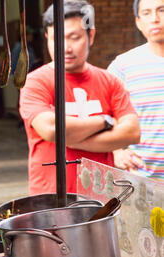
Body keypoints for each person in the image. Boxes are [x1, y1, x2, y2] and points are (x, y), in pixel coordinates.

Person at [19, 0, 141, 195]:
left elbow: (132, 132)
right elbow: (52, 129)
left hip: (101, 199)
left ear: (90, 35)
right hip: (50, 200)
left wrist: (71, 139)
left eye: (74, 37)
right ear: (46, 37)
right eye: (56, 38)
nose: (65, 47)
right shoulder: (35, 82)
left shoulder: (110, 81)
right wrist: (105, 121)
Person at [108, 0, 164, 181]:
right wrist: (116, 152)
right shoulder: (123, 66)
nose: (155, 19)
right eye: (146, 13)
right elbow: (103, 114)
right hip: (142, 180)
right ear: (138, 22)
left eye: (161, 10)